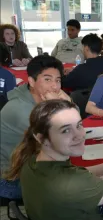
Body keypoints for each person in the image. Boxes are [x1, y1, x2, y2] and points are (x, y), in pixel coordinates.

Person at [4, 99, 103, 220]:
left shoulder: (30, 162)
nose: (80, 135)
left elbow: (80, 173)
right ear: (42, 138)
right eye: (65, 130)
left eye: (79, 125)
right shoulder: (73, 183)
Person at [0, 55, 71, 199]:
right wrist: (63, 106)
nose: (55, 86)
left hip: (32, 166)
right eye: (47, 79)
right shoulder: (20, 109)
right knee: (79, 187)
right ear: (31, 81)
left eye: (58, 80)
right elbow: (62, 144)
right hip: (11, 180)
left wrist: (68, 102)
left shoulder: (38, 99)